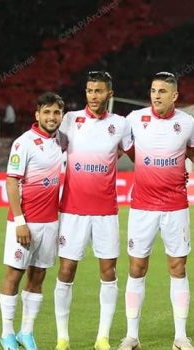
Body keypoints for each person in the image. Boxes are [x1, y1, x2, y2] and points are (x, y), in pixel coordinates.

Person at [117, 72, 194, 350]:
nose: (156, 96)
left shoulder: (187, 122)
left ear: (174, 96)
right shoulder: (134, 119)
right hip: (142, 206)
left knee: (178, 267)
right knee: (136, 267)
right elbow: (123, 151)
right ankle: (132, 336)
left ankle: (180, 337)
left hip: (175, 206)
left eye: (162, 91)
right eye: (153, 90)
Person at [53, 71, 131, 350]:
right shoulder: (70, 120)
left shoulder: (120, 124)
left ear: (110, 94)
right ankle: (63, 337)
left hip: (106, 212)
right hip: (73, 210)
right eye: (89, 90)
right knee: (66, 269)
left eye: (98, 91)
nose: (93, 96)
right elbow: (49, 147)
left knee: (108, 271)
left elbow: (135, 154)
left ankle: (103, 337)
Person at [0, 92, 66, 350]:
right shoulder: (23, 143)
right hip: (24, 223)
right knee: (14, 274)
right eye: (46, 112)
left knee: (38, 277)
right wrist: (20, 221)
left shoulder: (61, 140)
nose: (51, 117)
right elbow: (11, 182)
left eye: (56, 112)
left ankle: (26, 332)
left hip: (50, 222)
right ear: (37, 114)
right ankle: (6, 334)